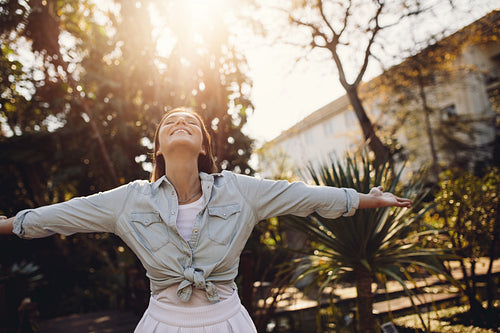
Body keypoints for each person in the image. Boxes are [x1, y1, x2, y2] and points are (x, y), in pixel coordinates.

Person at [0, 107, 412, 332]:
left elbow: (298, 195)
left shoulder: (239, 190)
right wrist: (6, 224)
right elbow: (64, 215)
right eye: (169, 123)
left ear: (202, 145)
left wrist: (362, 199)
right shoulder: (128, 200)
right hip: (163, 322)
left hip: (228, 320)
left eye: (191, 123)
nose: (180, 124)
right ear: (159, 147)